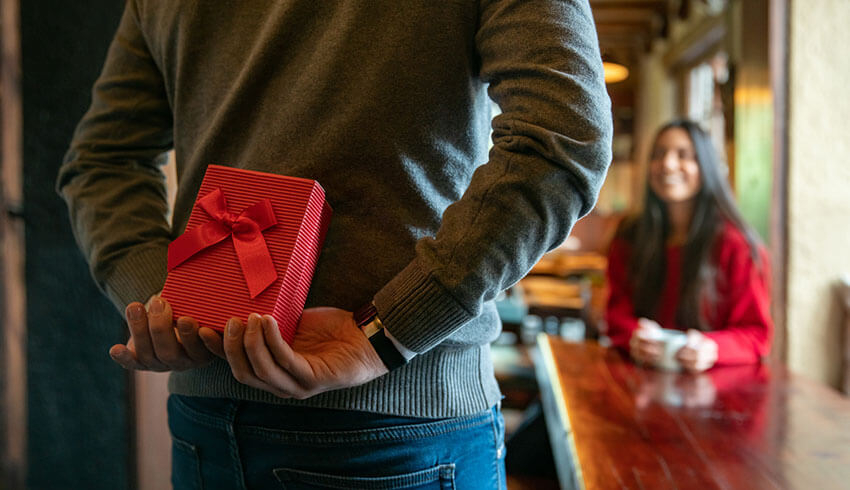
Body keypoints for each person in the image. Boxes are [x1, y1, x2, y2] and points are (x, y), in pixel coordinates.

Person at [56, 1, 612, 488]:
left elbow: (103, 162)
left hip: (206, 415)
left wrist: (169, 300)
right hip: (404, 416)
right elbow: (565, 138)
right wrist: (387, 330)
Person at [605, 120, 772, 373]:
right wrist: (635, 336)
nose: (668, 164)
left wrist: (712, 348)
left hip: (716, 392)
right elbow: (616, 312)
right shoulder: (630, 236)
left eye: (684, 155)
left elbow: (756, 333)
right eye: (659, 154)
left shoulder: (737, 246)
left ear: (706, 167)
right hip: (639, 382)